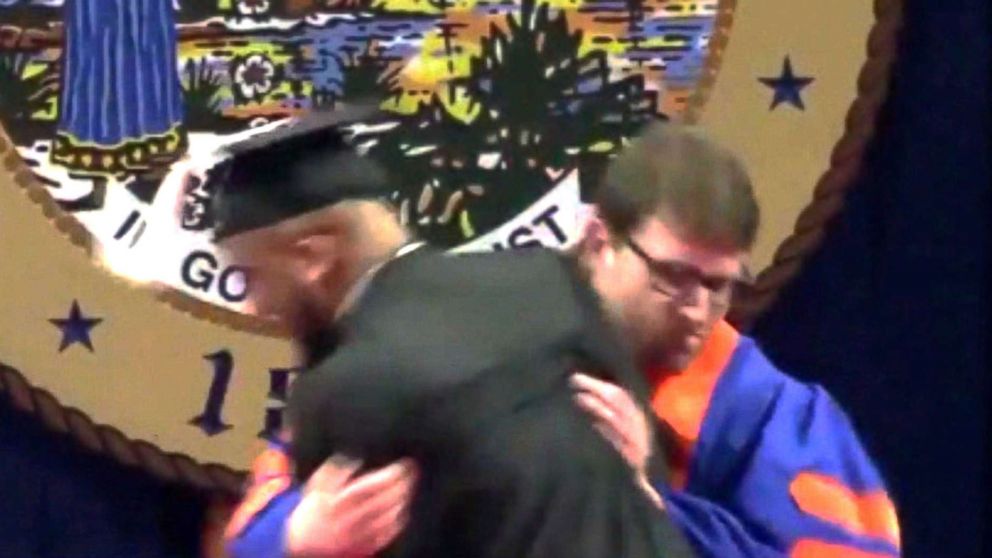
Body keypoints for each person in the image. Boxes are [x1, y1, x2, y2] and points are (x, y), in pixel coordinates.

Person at [222, 123, 901, 558]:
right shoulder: (448, 345)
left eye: (718, 285)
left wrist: (649, 498)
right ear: (599, 241)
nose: (697, 309)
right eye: (671, 277)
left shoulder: (751, 407)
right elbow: (277, 501)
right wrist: (298, 536)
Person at [209, 107, 694, 558]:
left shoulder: (346, 390)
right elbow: (639, 481)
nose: (255, 305)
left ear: (313, 257)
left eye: (252, 277)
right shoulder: (550, 281)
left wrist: (296, 541)